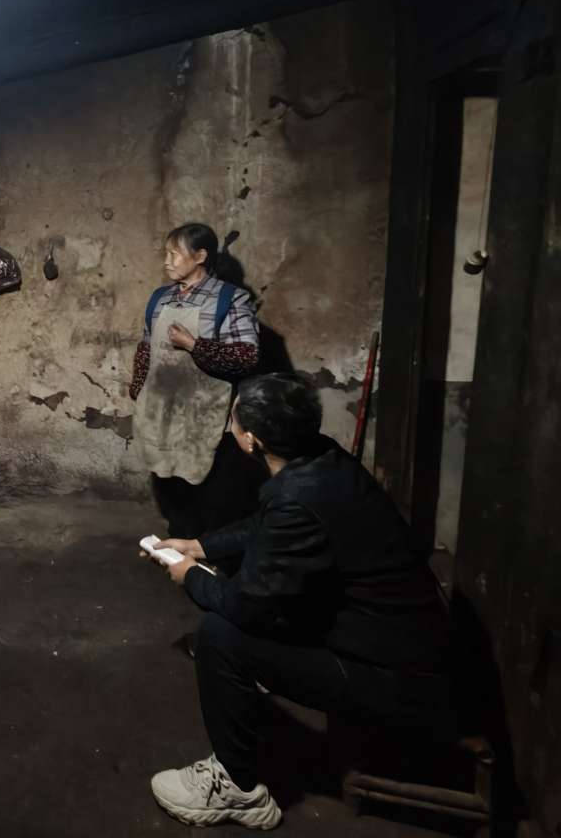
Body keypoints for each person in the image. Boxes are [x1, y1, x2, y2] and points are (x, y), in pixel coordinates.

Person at [147, 373, 454, 830]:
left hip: (395, 676)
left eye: (234, 421)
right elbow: (265, 526)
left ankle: (237, 787)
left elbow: (244, 605)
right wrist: (200, 546)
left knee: (219, 635)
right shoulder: (320, 459)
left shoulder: (297, 496)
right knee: (260, 594)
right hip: (396, 639)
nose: (231, 426)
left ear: (251, 440)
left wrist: (189, 575)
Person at [130, 222, 261, 539]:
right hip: (164, 411)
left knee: (212, 496)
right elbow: (147, 347)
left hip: (208, 414)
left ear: (200, 256)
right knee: (171, 489)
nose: (167, 261)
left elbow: (247, 356)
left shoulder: (230, 299)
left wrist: (194, 345)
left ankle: (209, 555)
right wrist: (139, 388)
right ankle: (180, 545)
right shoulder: (160, 298)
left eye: (174, 254)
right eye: (166, 254)